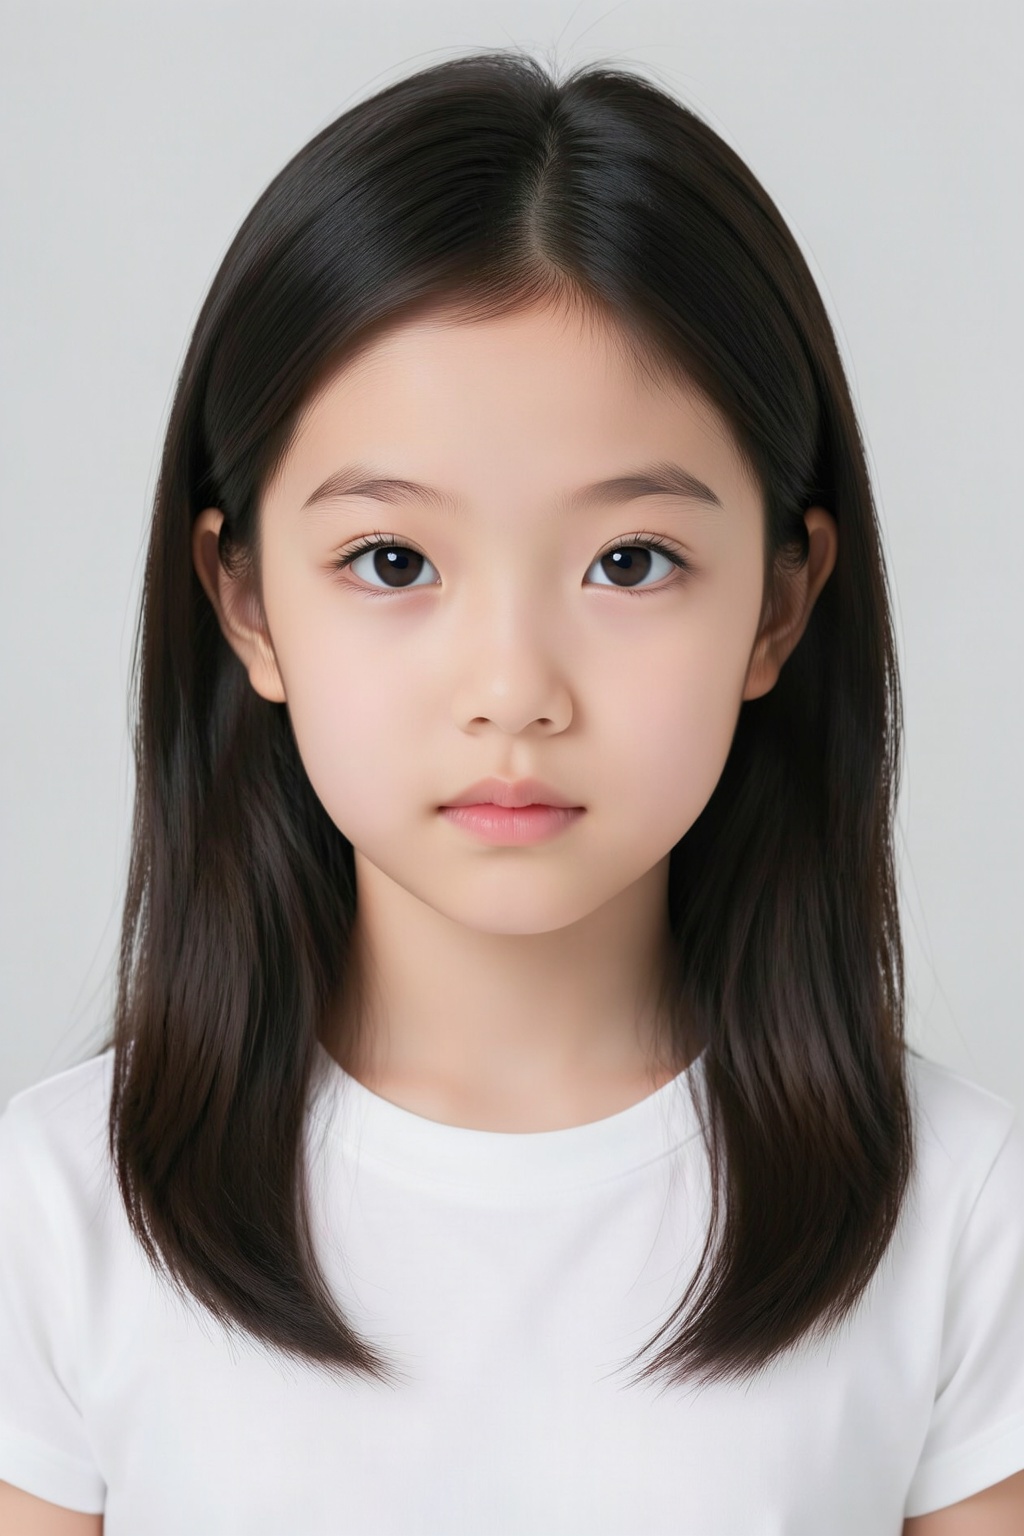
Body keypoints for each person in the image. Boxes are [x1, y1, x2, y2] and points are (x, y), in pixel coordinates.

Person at [1, 48, 1022, 1536]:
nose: (515, 689)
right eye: (393, 563)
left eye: (631, 562)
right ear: (244, 602)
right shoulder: (57, 1214)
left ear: (781, 607)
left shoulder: (957, 1214)